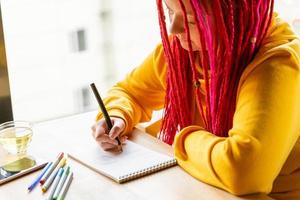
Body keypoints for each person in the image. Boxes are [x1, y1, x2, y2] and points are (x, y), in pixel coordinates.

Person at [91, 0, 300, 199]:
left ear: (234, 17)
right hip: (203, 188)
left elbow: (243, 171)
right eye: (170, 11)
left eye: (191, 20)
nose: (173, 29)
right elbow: (130, 92)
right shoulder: (182, 52)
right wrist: (117, 115)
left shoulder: (278, 65)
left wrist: (181, 140)